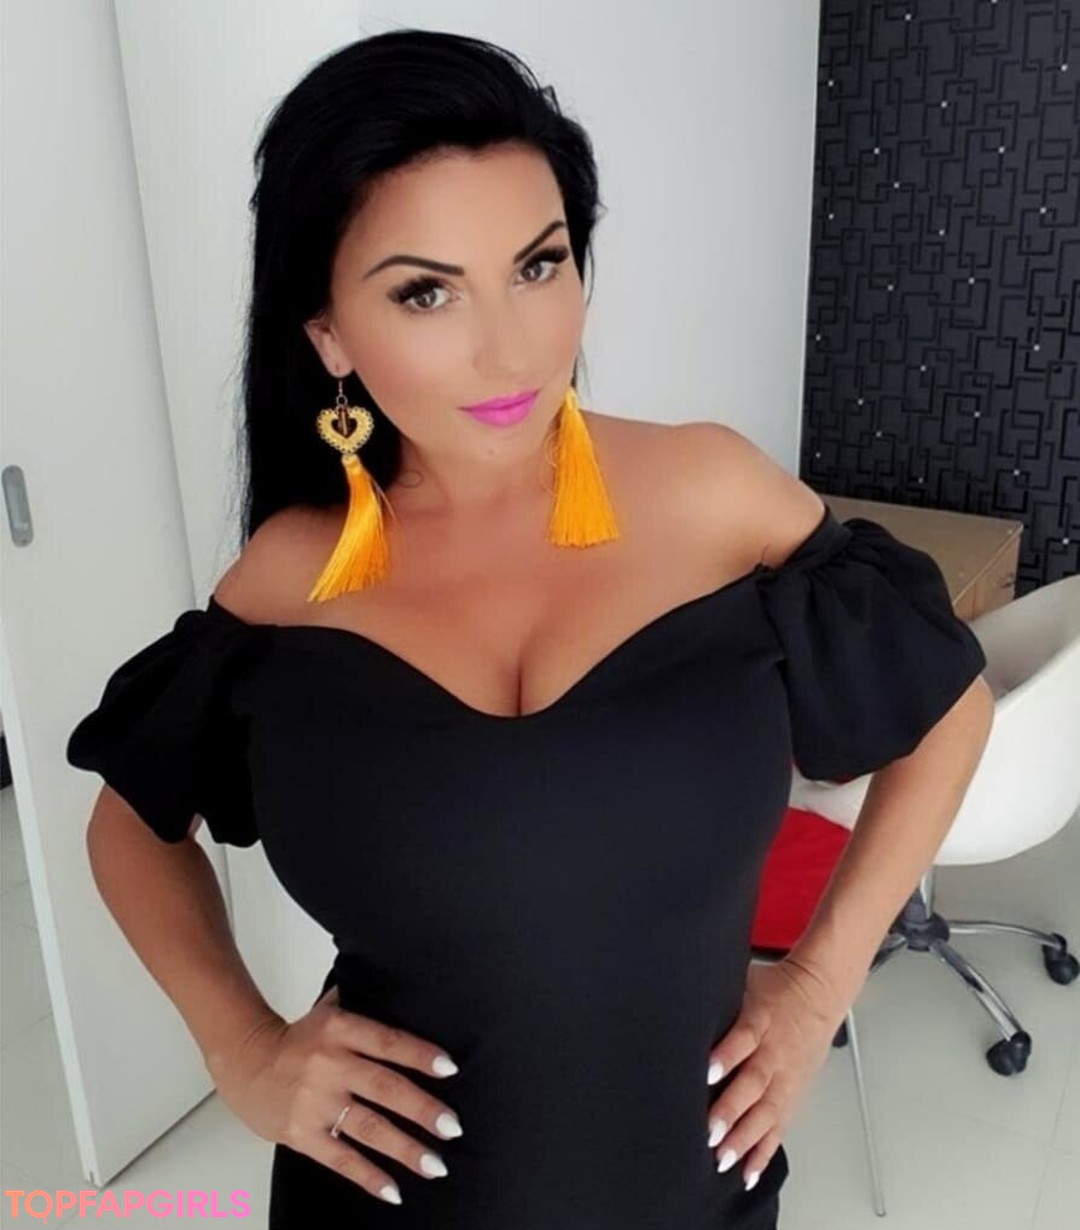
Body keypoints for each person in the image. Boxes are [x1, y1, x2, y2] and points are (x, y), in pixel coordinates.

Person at [66, 28, 994, 1229]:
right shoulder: (288, 583)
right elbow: (129, 828)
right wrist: (241, 1046)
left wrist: (818, 986)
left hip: (692, 1199)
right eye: (426, 291)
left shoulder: (715, 499)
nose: (511, 348)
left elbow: (948, 709)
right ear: (329, 334)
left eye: (539, 265)